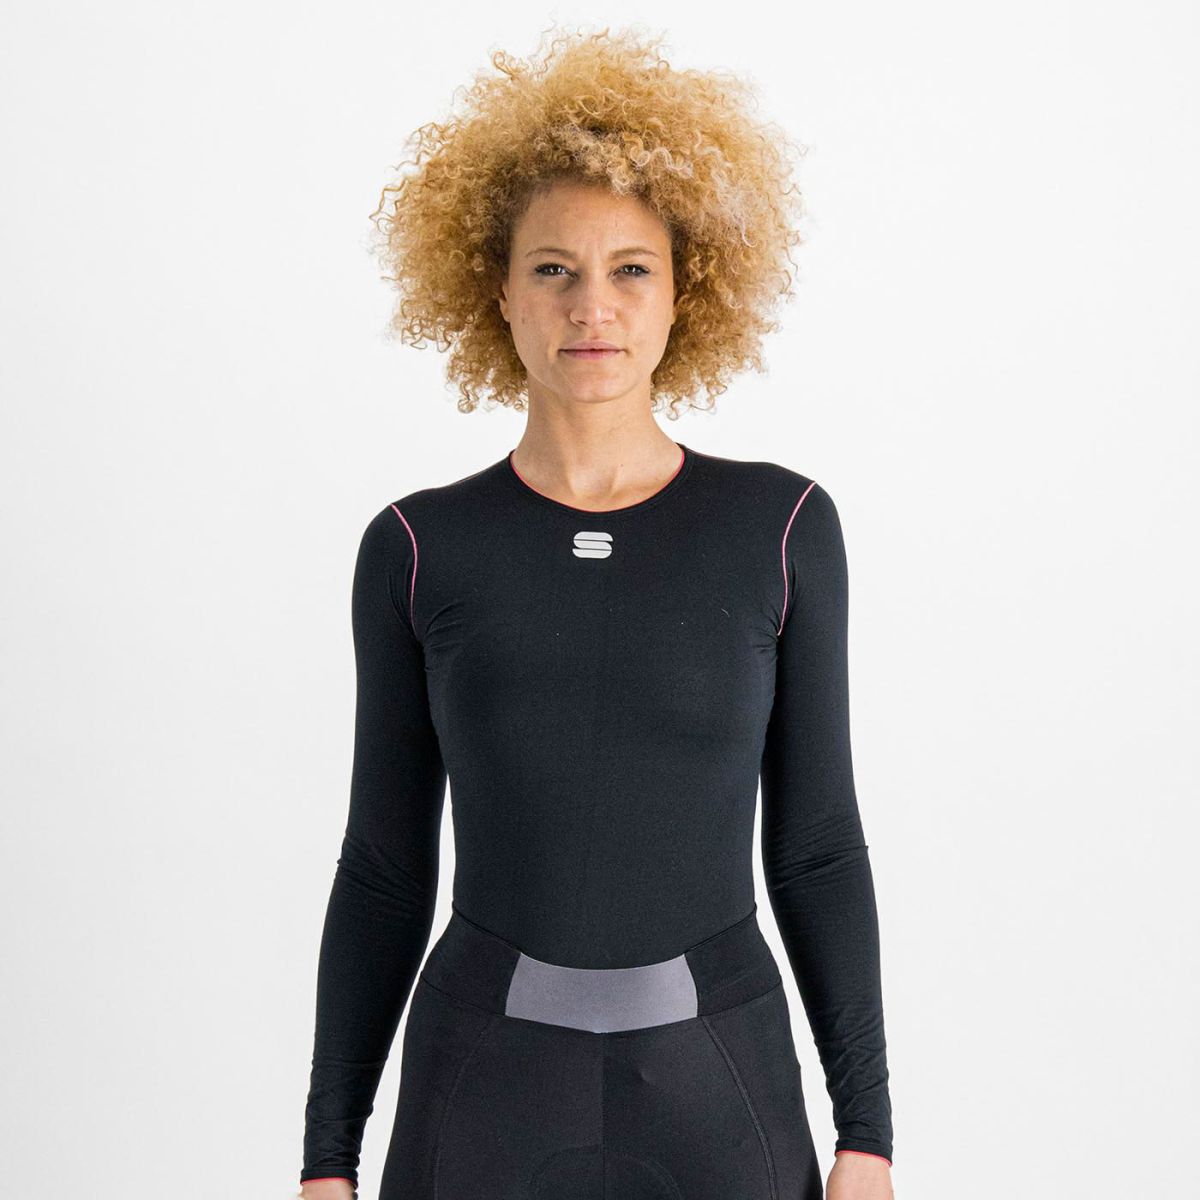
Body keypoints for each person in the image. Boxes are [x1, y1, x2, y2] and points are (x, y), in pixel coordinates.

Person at [299, 26, 894, 1200]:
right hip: (480, 1083)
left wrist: (866, 1137)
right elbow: (382, 869)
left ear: (685, 292)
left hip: (722, 1082)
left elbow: (819, 844)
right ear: (498, 291)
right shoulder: (418, 548)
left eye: (631, 269)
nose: (592, 307)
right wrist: (328, 1161)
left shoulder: (779, 528)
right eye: (552, 269)